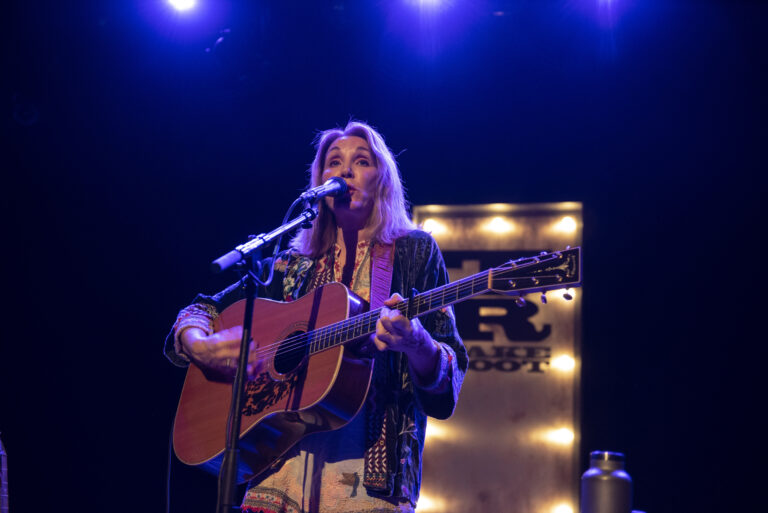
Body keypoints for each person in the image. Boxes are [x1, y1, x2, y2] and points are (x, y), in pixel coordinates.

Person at [164, 121, 467, 513]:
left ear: (383, 180)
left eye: (361, 161)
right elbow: (199, 309)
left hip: (368, 487)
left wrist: (418, 343)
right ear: (319, 183)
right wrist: (200, 345)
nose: (344, 171)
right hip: (273, 478)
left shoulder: (414, 252)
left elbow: (449, 375)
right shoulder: (290, 265)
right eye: (333, 163)